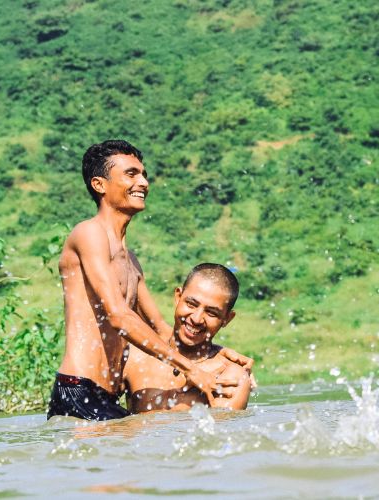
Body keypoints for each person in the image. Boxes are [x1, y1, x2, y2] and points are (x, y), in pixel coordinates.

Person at [48, 140, 250, 421]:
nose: (142, 182)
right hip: (78, 391)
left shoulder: (130, 261)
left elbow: (160, 328)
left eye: (143, 175)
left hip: (105, 396)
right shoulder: (89, 234)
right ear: (99, 185)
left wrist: (218, 355)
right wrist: (191, 369)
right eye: (131, 174)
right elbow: (119, 317)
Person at [124, 263, 251, 412]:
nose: (196, 319)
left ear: (227, 319)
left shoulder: (230, 377)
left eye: (211, 313)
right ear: (178, 297)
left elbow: (218, 433)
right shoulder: (135, 358)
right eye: (191, 304)